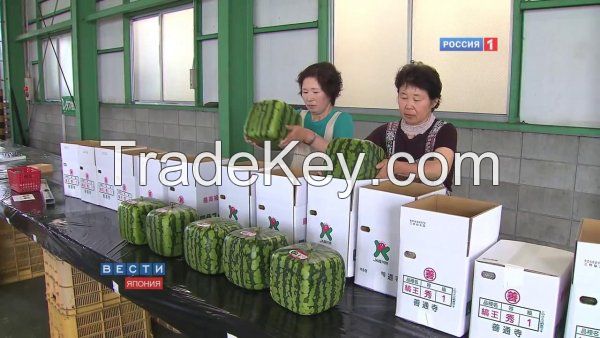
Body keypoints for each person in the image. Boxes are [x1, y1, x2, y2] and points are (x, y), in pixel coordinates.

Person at [365, 61, 457, 192]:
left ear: (434, 102)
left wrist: (394, 166)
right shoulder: (386, 131)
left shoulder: (445, 131)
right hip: (390, 201)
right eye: (403, 97)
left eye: (416, 99)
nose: (408, 105)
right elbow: (359, 156)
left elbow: (438, 169)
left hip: (431, 205)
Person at [278, 62, 354, 168]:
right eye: (305, 92)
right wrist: (259, 140)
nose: (309, 98)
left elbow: (343, 157)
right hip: (296, 180)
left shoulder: (342, 120)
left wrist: (306, 136)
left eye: (315, 92)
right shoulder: (297, 116)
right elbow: (279, 143)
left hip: (325, 182)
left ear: (330, 93)